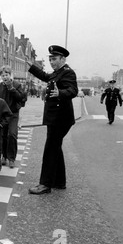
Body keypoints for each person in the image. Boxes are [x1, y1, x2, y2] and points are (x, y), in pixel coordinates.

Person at [26, 45, 78, 195]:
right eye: (50, 59)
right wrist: (33, 67)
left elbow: (72, 90)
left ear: (63, 59)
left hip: (60, 119)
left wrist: (59, 92)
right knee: (56, 148)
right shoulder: (57, 73)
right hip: (55, 117)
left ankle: (45, 184)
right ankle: (59, 182)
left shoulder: (68, 73)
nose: (51, 62)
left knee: (50, 150)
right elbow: (45, 76)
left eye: (54, 59)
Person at [0, 66, 26, 169]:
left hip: (13, 114)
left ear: (10, 75)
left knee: (12, 134)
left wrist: (11, 88)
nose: (5, 77)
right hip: (2, 115)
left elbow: (21, 98)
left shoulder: (17, 85)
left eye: (6, 75)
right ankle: (4, 156)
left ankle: (11, 158)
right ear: (1, 76)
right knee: (3, 136)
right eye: (3, 75)